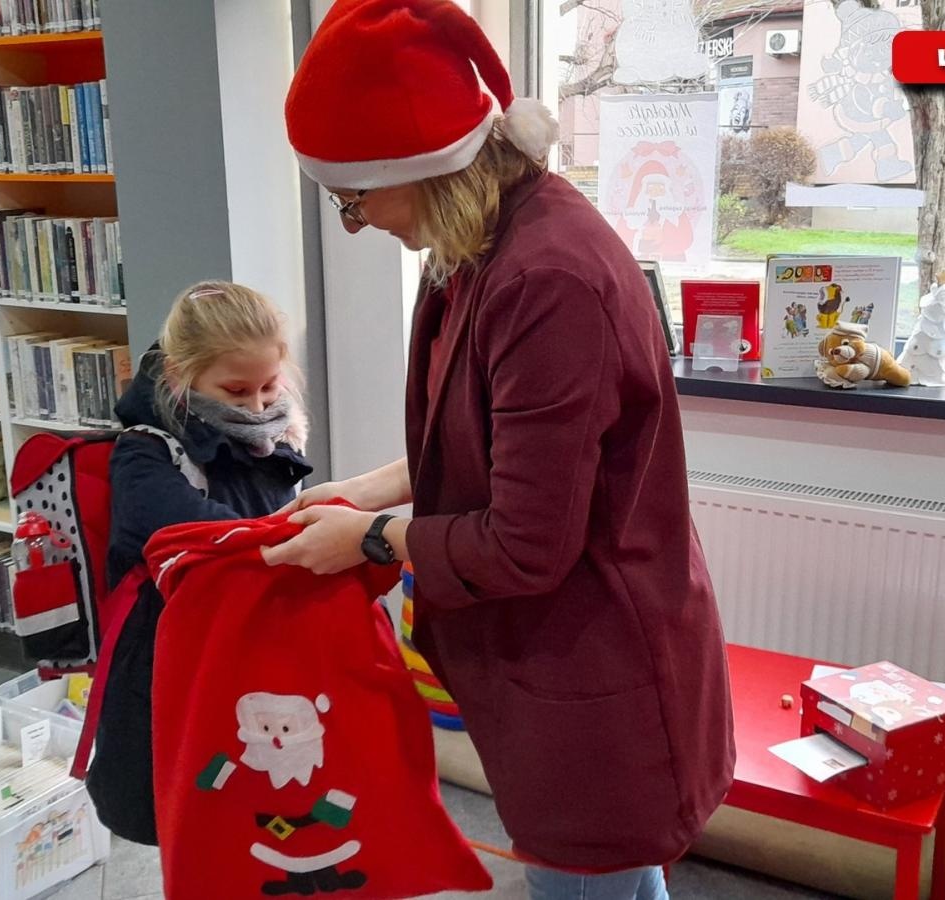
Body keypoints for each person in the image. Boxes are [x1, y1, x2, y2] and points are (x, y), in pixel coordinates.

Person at [266, 2, 735, 897]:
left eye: (353, 197)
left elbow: (525, 538)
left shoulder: (546, 280)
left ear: (425, 164)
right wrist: (366, 492)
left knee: (591, 876)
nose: (354, 223)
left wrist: (369, 542)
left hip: (594, 669)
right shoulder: (477, 247)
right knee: (615, 883)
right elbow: (483, 443)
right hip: (555, 658)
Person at [86, 281, 312, 845]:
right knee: (191, 806)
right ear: (180, 378)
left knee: (257, 806)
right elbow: (203, 532)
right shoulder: (146, 450)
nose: (258, 406)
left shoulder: (270, 434)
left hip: (249, 648)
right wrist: (298, 539)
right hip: (172, 662)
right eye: (237, 391)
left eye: (269, 386)